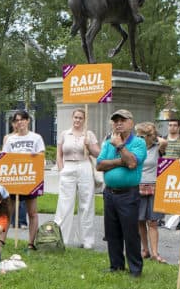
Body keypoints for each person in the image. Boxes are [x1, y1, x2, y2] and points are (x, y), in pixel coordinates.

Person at [96, 108, 146, 276]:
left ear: (131, 123)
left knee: (130, 232)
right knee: (112, 232)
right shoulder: (107, 142)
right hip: (109, 193)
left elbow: (132, 163)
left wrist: (120, 146)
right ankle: (116, 266)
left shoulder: (139, 143)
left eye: (122, 120)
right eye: (116, 121)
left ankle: (135, 269)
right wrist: (120, 160)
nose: (118, 123)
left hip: (128, 194)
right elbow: (99, 165)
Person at [54, 108, 99, 249]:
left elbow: (98, 153)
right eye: (76, 117)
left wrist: (89, 145)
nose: (78, 120)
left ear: (84, 120)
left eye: (80, 118)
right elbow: (59, 154)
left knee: (86, 203)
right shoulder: (64, 134)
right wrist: (62, 169)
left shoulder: (89, 134)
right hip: (68, 167)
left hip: (84, 166)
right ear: (72, 118)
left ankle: (86, 240)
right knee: (65, 203)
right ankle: (61, 238)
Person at [2, 109, 46, 248]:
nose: (19, 122)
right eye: (16, 120)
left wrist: (36, 157)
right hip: (14, 178)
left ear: (28, 121)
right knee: (8, 212)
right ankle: (1, 240)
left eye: (22, 119)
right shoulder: (10, 139)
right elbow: (4, 158)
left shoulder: (36, 138)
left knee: (32, 212)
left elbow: (42, 158)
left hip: (30, 178)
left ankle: (30, 243)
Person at [134, 121, 165, 263]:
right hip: (137, 186)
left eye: (141, 136)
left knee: (152, 221)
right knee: (140, 221)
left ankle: (155, 252)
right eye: (137, 135)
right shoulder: (134, 148)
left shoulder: (157, 148)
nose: (138, 138)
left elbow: (164, 141)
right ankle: (144, 250)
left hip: (153, 187)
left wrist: (152, 135)